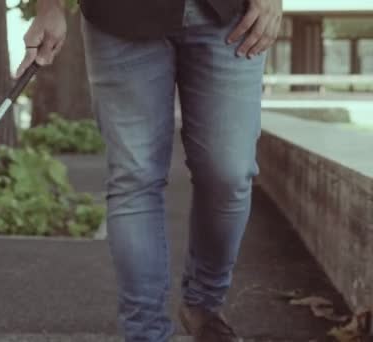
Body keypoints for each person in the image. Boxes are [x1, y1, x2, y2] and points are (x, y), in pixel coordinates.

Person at [16, 0, 283, 340]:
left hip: (231, 16)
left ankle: (203, 304)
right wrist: (49, 7)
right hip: (119, 17)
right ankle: (145, 331)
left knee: (229, 173)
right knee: (135, 177)